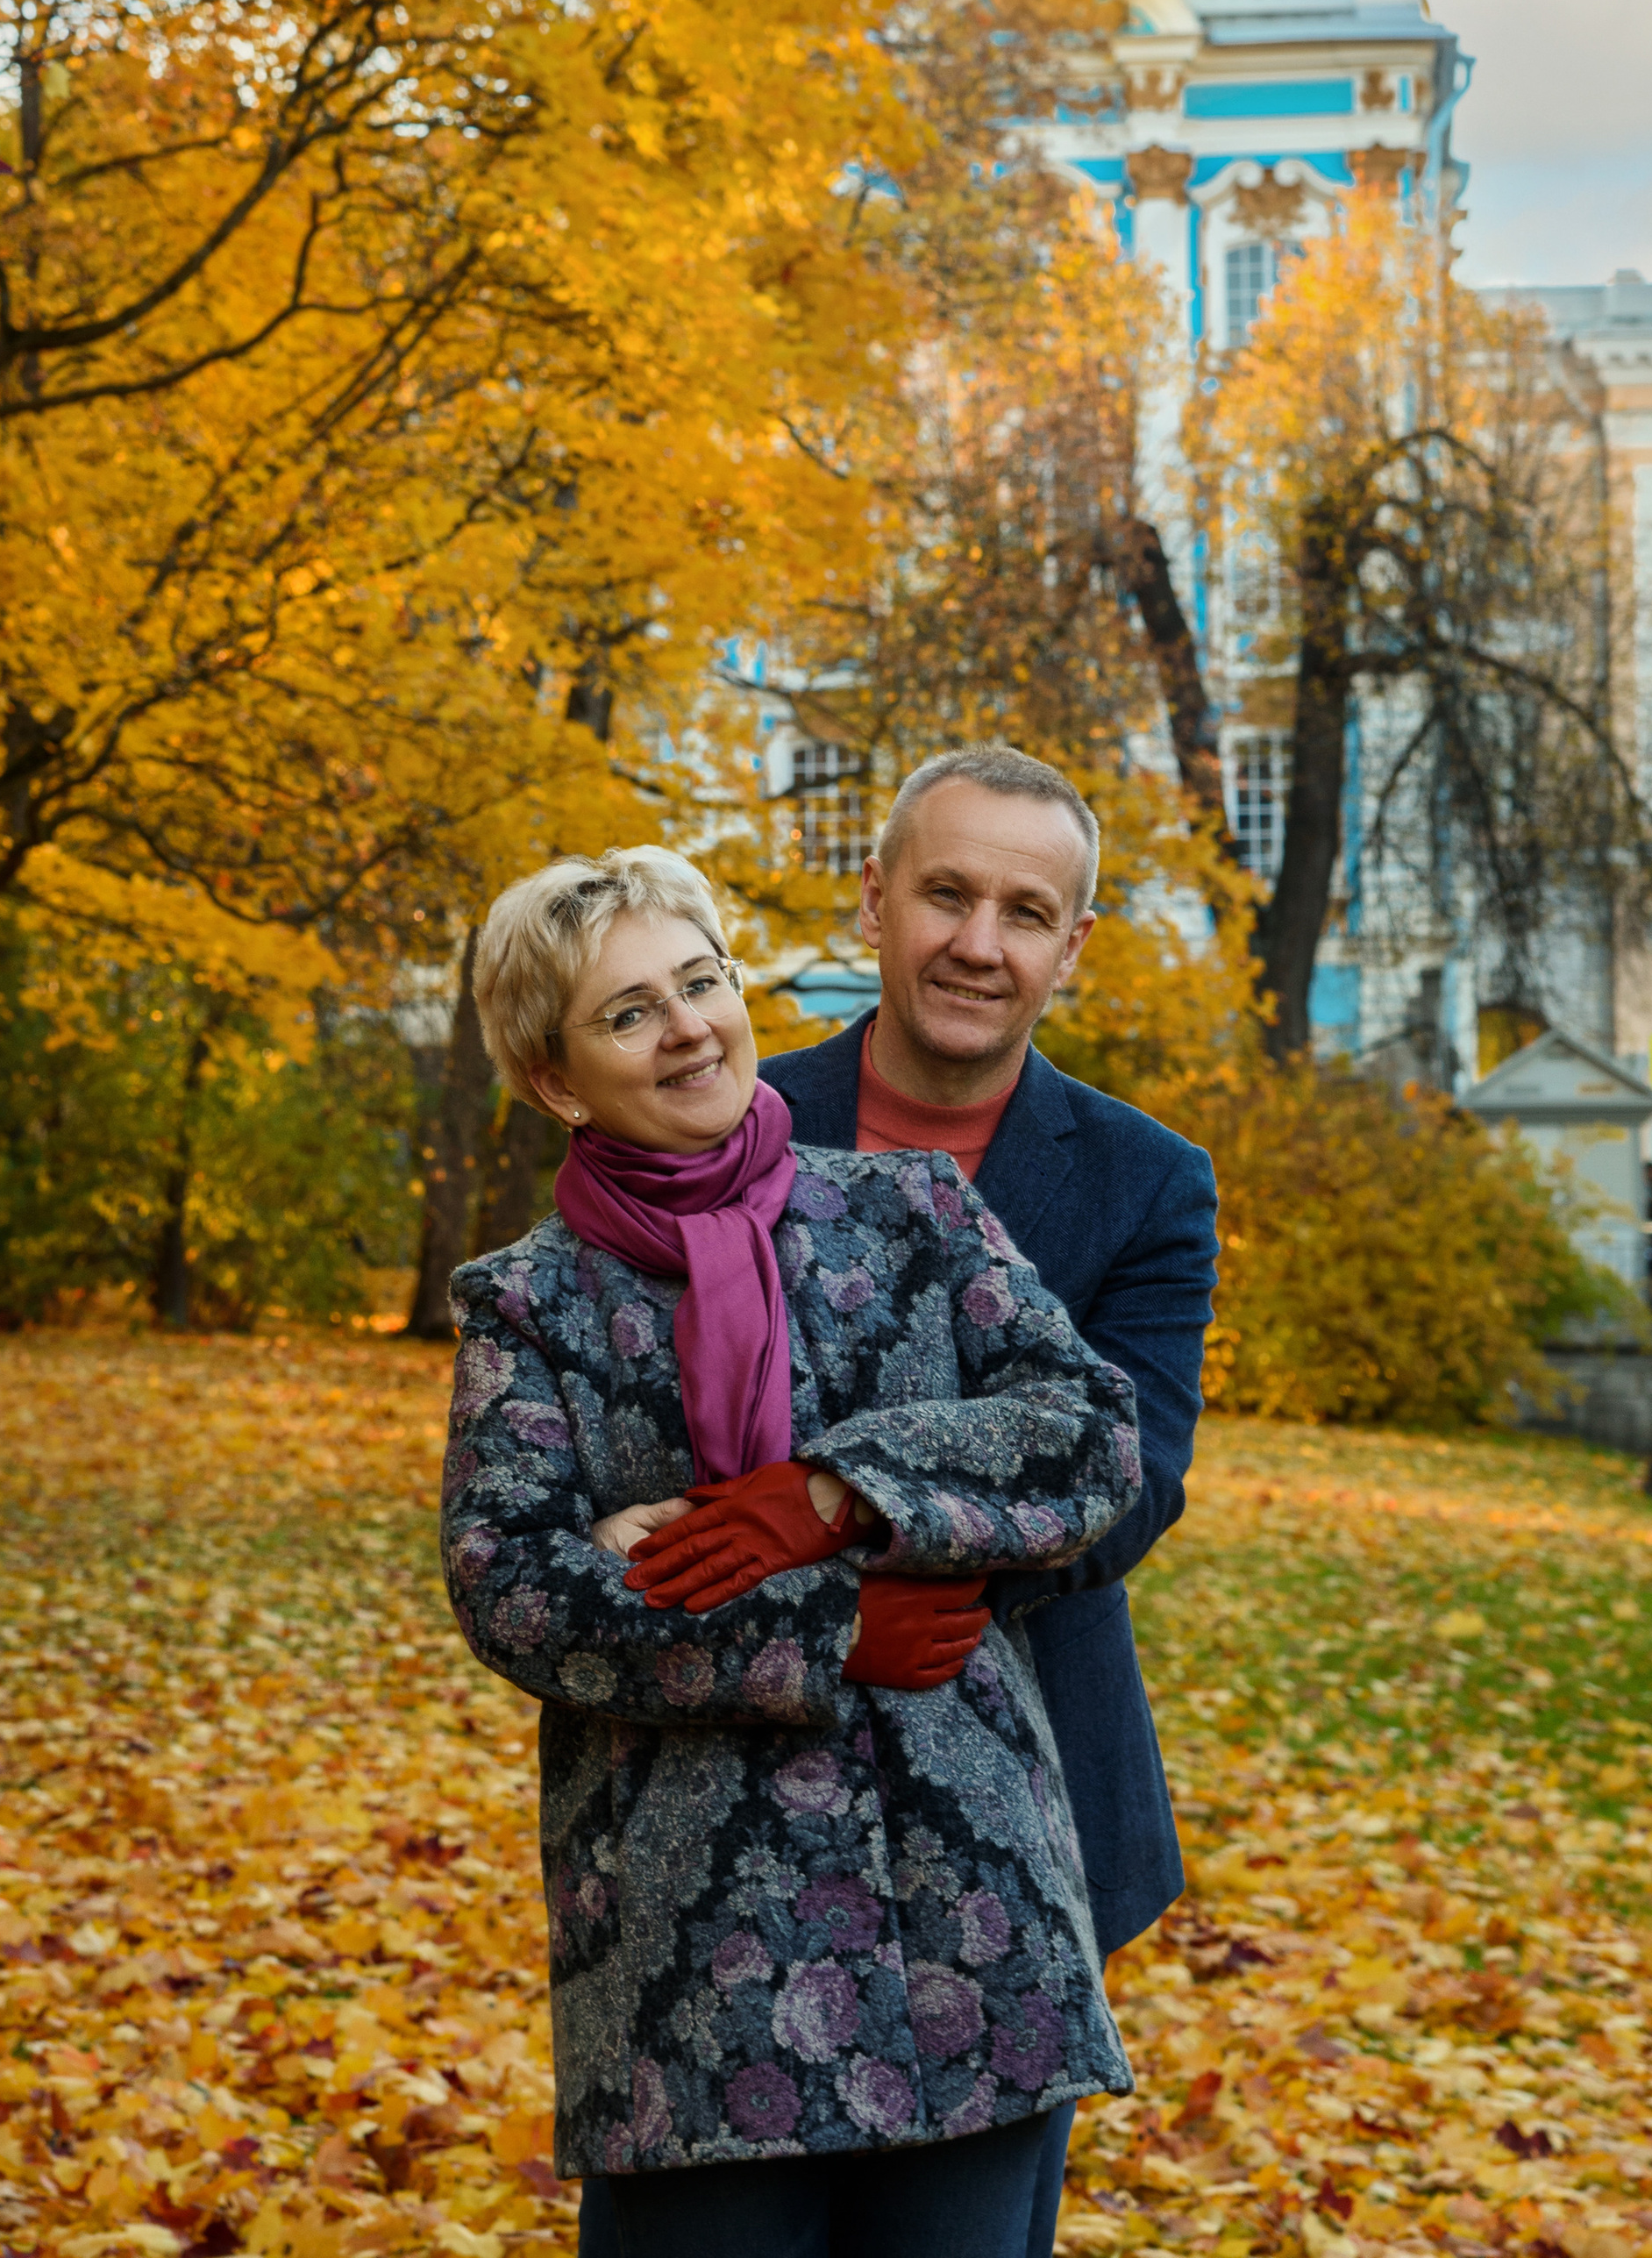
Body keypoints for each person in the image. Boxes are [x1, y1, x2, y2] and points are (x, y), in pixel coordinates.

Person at [444, 846, 1146, 2257]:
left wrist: (829, 1496)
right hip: (694, 1953)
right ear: (560, 1077)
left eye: (700, 982)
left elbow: (1091, 1439)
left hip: (968, 1916)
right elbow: (515, 1585)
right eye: (630, 1011)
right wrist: (830, 1632)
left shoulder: (914, 1216)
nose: (690, 1024)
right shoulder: (529, 1304)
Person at [754, 744, 1221, 2258]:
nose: (979, 940)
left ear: (1070, 947)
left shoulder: (1148, 1182)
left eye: (1026, 910)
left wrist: (849, 1526)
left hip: (1027, 1801)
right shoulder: (725, 1122)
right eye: (947, 892)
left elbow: (1134, 1483)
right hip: (735, 1786)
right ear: (877, 896)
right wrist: (820, 1618)